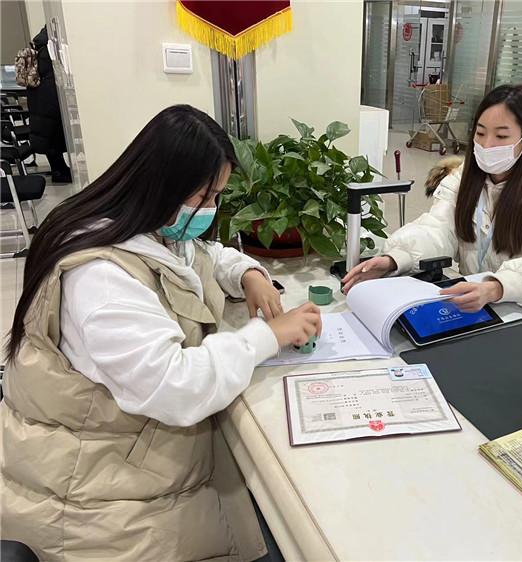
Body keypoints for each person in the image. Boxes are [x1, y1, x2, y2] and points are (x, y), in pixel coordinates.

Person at [1, 105, 322, 560]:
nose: (210, 210)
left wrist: (248, 274)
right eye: (205, 197)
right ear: (162, 184)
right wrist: (268, 335)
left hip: (122, 458)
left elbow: (199, 255)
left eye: (217, 197)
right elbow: (177, 385)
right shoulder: (100, 279)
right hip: (98, 500)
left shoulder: (147, 227)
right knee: (286, 529)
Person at [343, 84, 522, 329]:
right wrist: (396, 258)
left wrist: (500, 286)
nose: (487, 145)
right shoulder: (463, 179)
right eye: (480, 133)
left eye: (501, 136)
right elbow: (438, 229)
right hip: (503, 315)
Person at [27, 26, 72, 183]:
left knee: (48, 137)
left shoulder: (39, 46)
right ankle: (59, 172)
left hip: (39, 99)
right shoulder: (49, 49)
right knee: (52, 136)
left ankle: (59, 169)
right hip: (48, 98)